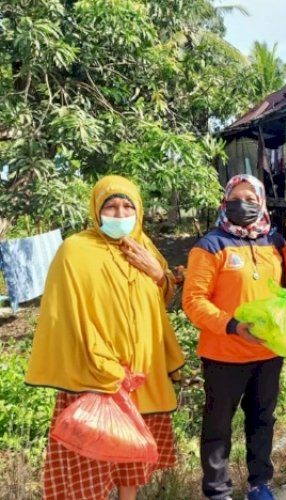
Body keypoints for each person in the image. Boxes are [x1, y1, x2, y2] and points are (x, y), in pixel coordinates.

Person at [25, 175, 185, 500]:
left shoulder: (145, 247)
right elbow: (67, 316)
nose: (120, 213)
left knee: (131, 462)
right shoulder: (75, 251)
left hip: (141, 380)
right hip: (97, 379)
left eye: (128, 206)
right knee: (89, 466)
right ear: (96, 210)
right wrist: (108, 369)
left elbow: (161, 301)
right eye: (111, 206)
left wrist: (158, 274)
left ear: (139, 210)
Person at [182, 174, 286, 500]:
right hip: (224, 353)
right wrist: (232, 325)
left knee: (263, 420)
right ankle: (217, 491)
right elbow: (193, 301)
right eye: (237, 198)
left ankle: (259, 484)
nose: (244, 205)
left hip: (268, 352)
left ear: (262, 202)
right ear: (225, 202)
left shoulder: (275, 242)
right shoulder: (210, 246)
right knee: (218, 426)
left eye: (251, 199)